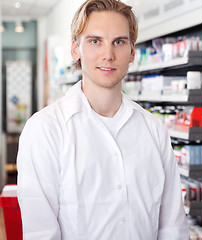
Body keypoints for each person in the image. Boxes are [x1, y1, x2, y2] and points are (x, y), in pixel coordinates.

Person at [16, 0, 189, 239]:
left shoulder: (153, 129)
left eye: (118, 42)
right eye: (95, 41)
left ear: (131, 52)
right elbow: (41, 233)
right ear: (75, 49)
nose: (108, 55)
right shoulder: (45, 130)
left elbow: (172, 227)